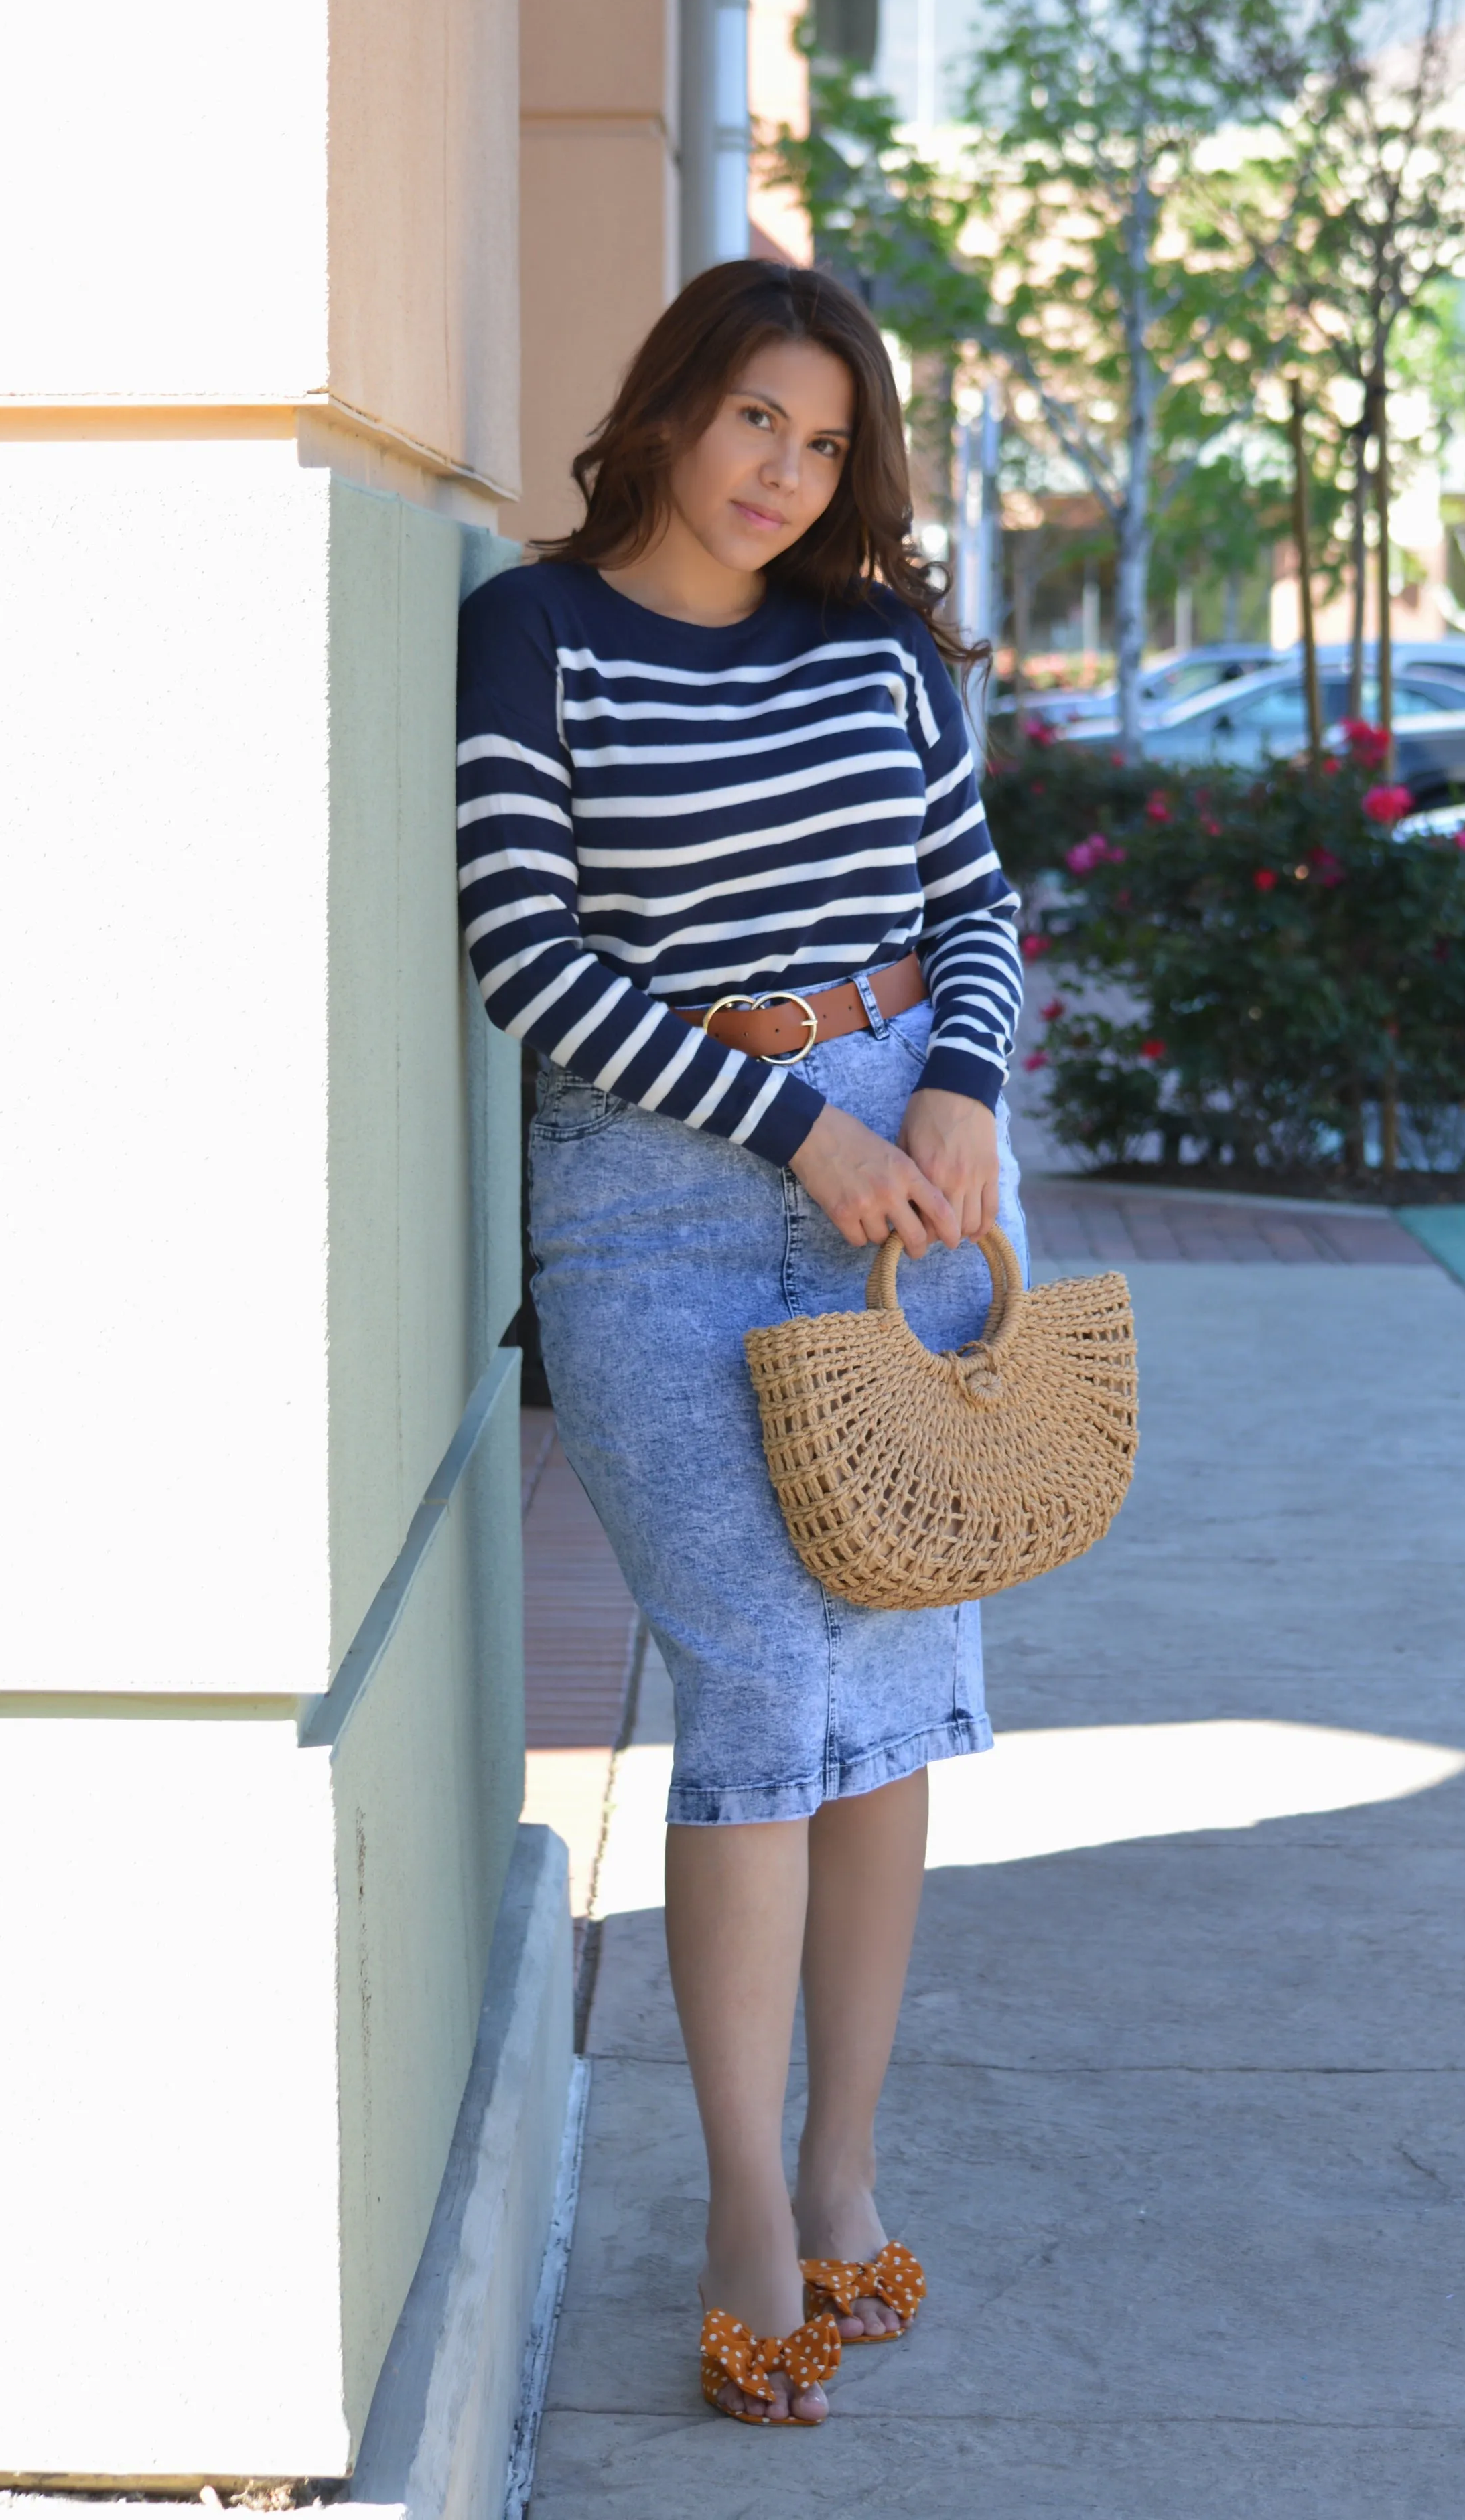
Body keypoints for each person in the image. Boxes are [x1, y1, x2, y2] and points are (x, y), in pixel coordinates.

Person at [456, 259, 1024, 2427]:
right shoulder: (538, 632)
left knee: (889, 1674)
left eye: (823, 437)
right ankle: (738, 2214)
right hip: (663, 1201)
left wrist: (955, 1088)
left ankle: (845, 2166)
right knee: (762, 1677)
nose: (785, 472)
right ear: (673, 408)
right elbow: (527, 952)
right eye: (752, 422)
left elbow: (967, 903)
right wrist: (796, 1130)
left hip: (915, 1179)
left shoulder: (877, 645)